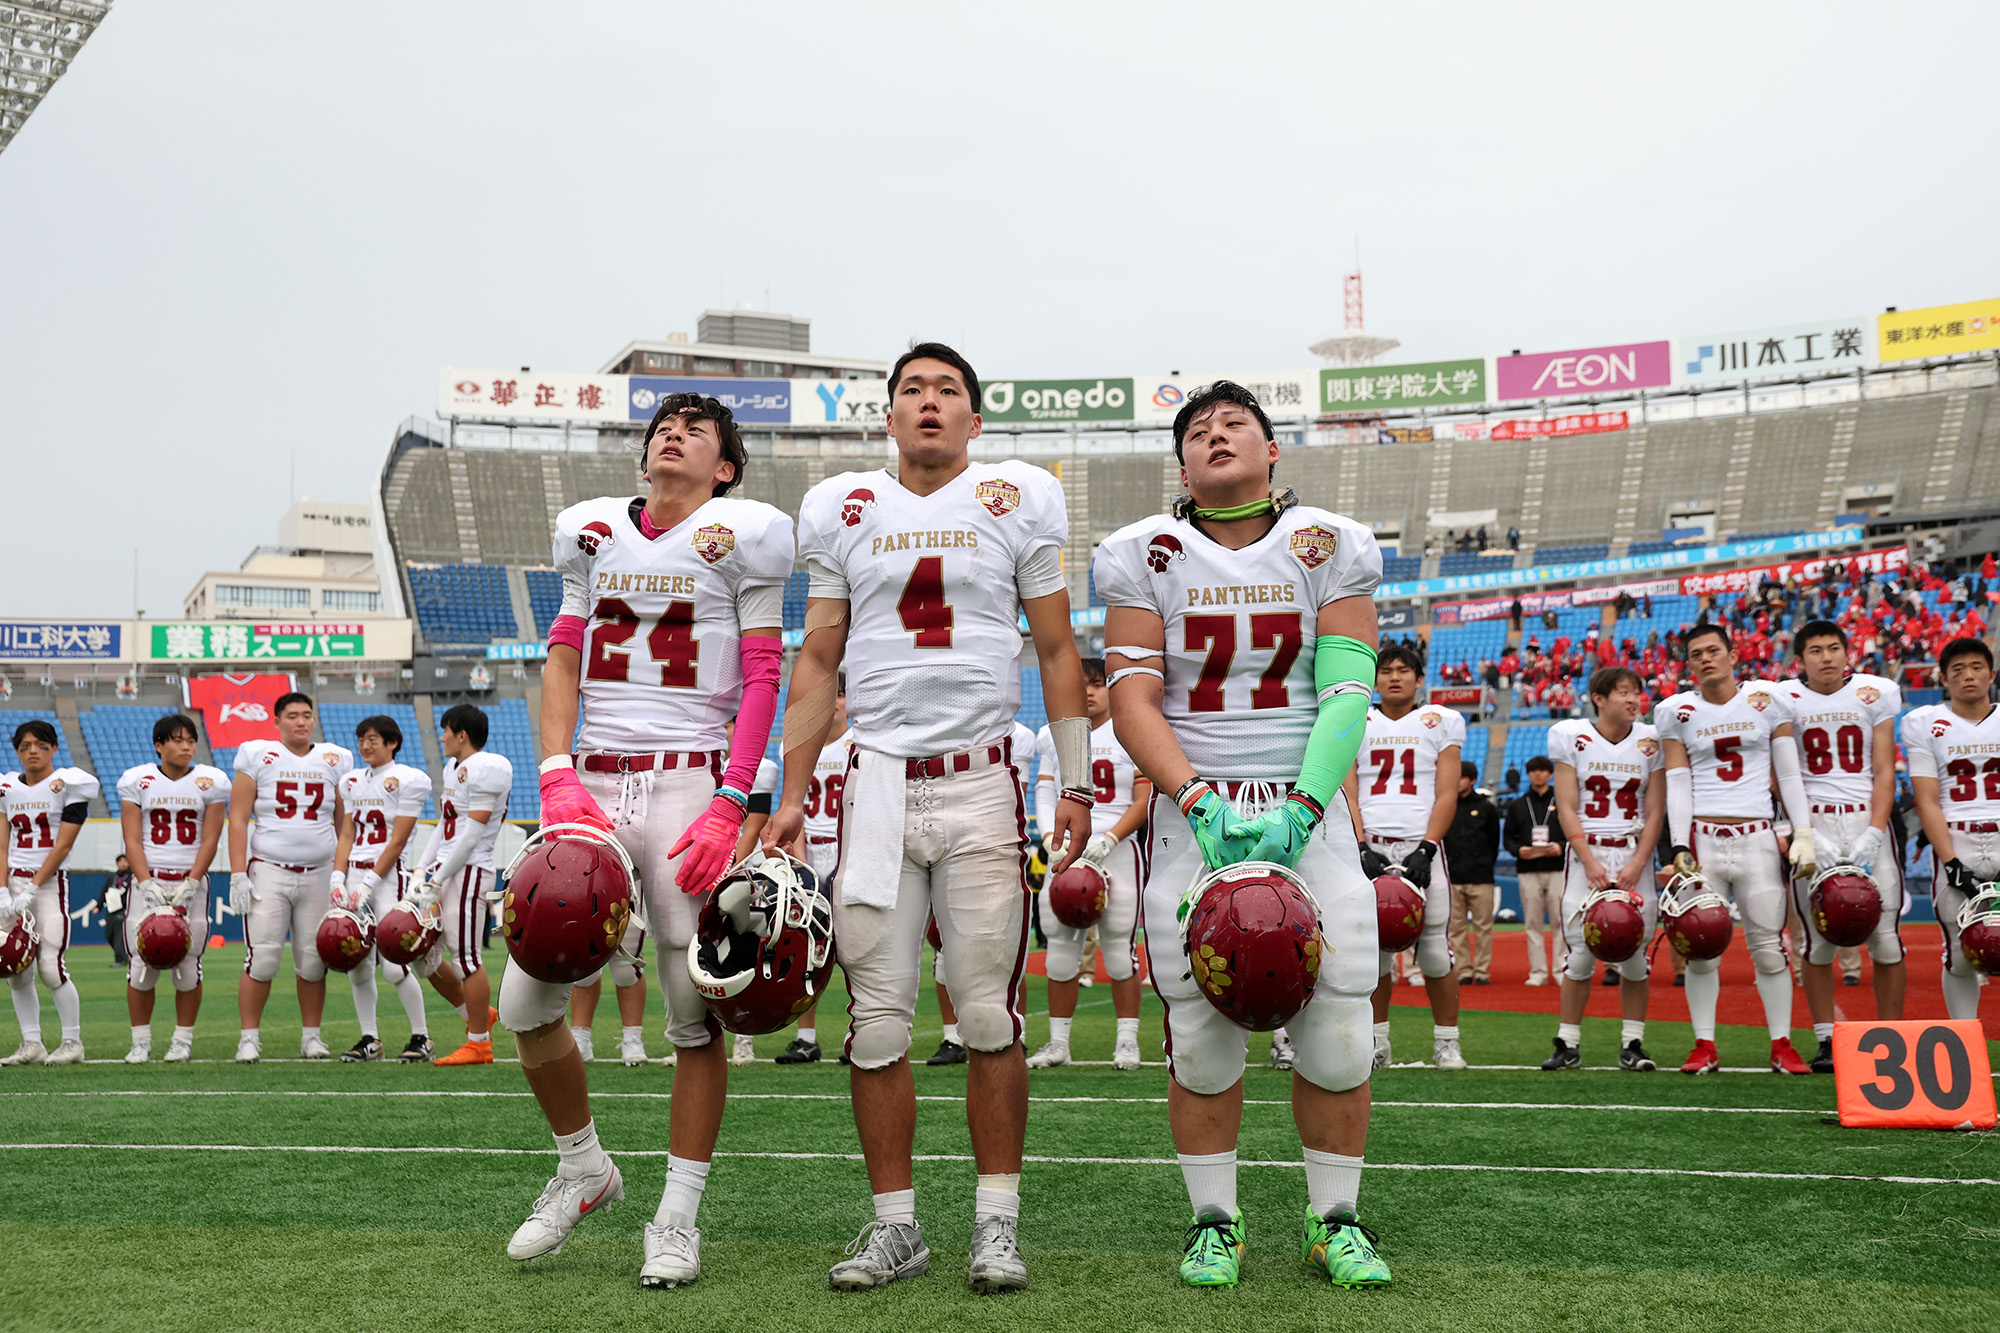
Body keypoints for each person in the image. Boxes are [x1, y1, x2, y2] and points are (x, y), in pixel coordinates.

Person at [764, 343, 1090, 1294]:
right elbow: (817, 658)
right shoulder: (844, 506)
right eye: (913, 389)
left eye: (949, 390)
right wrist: (792, 793)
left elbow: (1058, 646)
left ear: (974, 419)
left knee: (987, 1013)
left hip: (982, 778)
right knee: (874, 1023)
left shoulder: (1016, 497)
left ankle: (996, 1223)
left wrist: (1074, 780)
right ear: (890, 416)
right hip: (872, 784)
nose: (930, 402)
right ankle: (896, 1225)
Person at [1098, 379, 1389, 1289]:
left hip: (1309, 809)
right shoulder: (1144, 553)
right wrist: (1195, 798)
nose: (1215, 434)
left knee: (1340, 1021)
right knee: (1200, 1030)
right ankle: (1214, 1223)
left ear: (1273, 450)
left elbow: (1347, 689)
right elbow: (1131, 698)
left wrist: (1303, 805)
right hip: (1197, 814)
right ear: (1181, 465)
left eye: (1235, 424)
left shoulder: (1328, 544)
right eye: (1197, 429)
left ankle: (1335, 1218)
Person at [502, 391, 791, 1288]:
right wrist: (555, 769)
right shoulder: (590, 532)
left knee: (691, 1016)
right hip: (591, 775)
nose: (674, 434)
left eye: (697, 430)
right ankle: (584, 1166)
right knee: (524, 1002)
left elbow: (763, 674)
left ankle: (677, 1215)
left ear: (725, 468)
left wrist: (730, 801)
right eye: (664, 426)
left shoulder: (746, 535)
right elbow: (563, 655)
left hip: (688, 778)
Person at [1656, 624, 1818, 1075]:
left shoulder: (1768, 700)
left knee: (1768, 947)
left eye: (1713, 650)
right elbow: (1678, 782)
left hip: (1757, 836)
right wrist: (1678, 844)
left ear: (1733, 655)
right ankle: (1704, 1044)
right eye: (1696, 654)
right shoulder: (1677, 711)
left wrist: (1803, 832)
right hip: (1705, 839)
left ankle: (1782, 1043)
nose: (1706, 659)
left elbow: (1789, 774)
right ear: (1689, 664)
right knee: (1701, 948)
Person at [1775, 620, 1905, 1071]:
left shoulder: (1874, 693)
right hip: (1813, 824)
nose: (1826, 657)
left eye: (1834, 648)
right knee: (1818, 943)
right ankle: (1826, 1039)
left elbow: (1884, 769)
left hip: (1866, 819)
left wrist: (1876, 830)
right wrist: (1804, 831)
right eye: (1816, 650)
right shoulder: (1783, 699)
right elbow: (1780, 774)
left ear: (1847, 653)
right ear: (1800, 659)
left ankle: (1893, 1036)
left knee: (1886, 942)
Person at [1026, 657, 1151, 1071]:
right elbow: (1045, 791)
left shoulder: (1130, 732)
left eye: (1097, 684)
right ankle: (1058, 1043)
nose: (1090, 692)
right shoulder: (1055, 735)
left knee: (1119, 952)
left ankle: (1127, 1042)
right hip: (1065, 852)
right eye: (1082, 684)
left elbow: (1144, 799)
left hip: (1117, 850)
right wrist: (1050, 838)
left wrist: (1111, 837)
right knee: (1060, 951)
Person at [1347, 643, 1466, 1070]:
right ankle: (1377, 1042)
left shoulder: (1441, 721)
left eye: (1403, 670)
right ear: (1374, 679)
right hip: (1372, 844)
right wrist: (1360, 844)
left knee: (1434, 951)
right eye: (1386, 670)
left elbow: (1447, 792)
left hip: (1421, 842)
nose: (1394, 677)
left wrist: (1428, 847)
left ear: (1419, 679)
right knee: (1374, 951)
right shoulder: (1356, 718)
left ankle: (1447, 1042)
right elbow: (1348, 789)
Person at [1540, 667, 1665, 1071]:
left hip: (1632, 852)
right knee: (1579, 954)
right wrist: (1589, 859)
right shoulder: (1572, 736)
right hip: (1587, 853)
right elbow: (1567, 806)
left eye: (1636, 693)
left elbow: (1655, 810)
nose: (1633, 700)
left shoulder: (1650, 740)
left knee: (1635, 954)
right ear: (1599, 698)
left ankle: (1633, 1043)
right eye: (1623, 692)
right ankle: (1567, 1043)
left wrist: (1638, 862)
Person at [228, 692, 353, 1063]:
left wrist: (342, 873)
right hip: (270, 868)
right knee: (263, 958)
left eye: (307, 715)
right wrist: (237, 873)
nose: (301, 722)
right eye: (293, 715)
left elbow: (344, 823)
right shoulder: (257, 755)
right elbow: (238, 818)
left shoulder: (335, 759)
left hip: (320, 871)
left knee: (313, 961)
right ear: (277, 721)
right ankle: (249, 1038)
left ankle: (311, 1037)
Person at [117, 714, 228, 1063]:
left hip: (190, 880)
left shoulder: (210, 781)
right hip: (148, 879)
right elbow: (132, 839)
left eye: (190, 741)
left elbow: (210, 839)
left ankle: (182, 1041)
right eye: (178, 740)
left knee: (188, 966)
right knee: (141, 966)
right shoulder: (139, 780)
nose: (186, 747)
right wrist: (145, 881)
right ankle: (140, 1041)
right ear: (159, 745)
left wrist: (193, 880)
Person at [1904, 637, 2000, 1023]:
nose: (1968, 676)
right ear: (1943, 679)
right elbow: (1927, 799)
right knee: (1960, 954)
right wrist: (1951, 862)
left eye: (1976, 667)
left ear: (1992, 674)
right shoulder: (1926, 724)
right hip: (1957, 836)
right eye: (1957, 670)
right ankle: (1964, 1036)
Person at [330, 714, 436, 1063]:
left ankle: (421, 1036)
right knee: (357, 963)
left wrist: (370, 882)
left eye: (373, 739)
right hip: (355, 874)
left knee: (394, 963)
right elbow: (347, 833)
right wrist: (337, 877)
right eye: (362, 739)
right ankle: (369, 1039)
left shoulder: (408, 779)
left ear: (392, 743)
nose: (365, 745)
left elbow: (398, 840)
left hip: (389, 876)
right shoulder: (351, 782)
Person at [410, 705, 511, 1067]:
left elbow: (472, 834)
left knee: (466, 959)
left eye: (446, 730)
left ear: (462, 735)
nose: (441, 737)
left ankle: (479, 1044)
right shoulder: (454, 768)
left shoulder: (488, 767)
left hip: (468, 870)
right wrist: (421, 869)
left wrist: (437, 879)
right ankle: (477, 1013)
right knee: (421, 953)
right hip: (446, 868)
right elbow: (446, 824)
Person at [0, 720, 100, 1065]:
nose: (33, 751)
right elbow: (1, 846)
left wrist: (32, 886)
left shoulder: (69, 784)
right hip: (13, 883)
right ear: (17, 751)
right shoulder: (7, 788)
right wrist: (3, 889)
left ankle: (72, 1041)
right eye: (25, 746)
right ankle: (32, 1042)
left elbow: (63, 845)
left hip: (49, 884)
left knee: (50, 966)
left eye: (41, 745)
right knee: (14, 965)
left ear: (54, 749)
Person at [776, 680, 851, 1065]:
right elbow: (796, 808)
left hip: (847, 849)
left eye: (840, 693)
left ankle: (861, 1031)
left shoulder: (857, 743)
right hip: (810, 852)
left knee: (856, 949)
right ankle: (806, 1038)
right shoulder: (799, 746)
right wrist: (801, 865)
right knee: (806, 948)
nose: (835, 702)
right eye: (830, 693)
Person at [1507, 756, 1565, 985]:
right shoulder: (1518, 805)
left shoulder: (1561, 801)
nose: (1537, 774)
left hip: (1557, 868)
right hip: (1528, 869)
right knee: (1532, 922)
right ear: (1528, 774)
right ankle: (1538, 971)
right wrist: (1517, 850)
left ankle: (1561, 970)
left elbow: (1574, 833)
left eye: (1542, 770)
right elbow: (1508, 838)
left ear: (1550, 774)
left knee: (1560, 921)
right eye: (1533, 771)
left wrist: (1561, 846)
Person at [1443, 761, 1499, 985]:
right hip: (1453, 877)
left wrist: (1485, 865)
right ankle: (1464, 969)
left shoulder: (1486, 808)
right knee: (1456, 927)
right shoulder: (1446, 805)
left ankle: (1482, 970)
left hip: (1481, 877)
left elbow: (1494, 841)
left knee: (1483, 926)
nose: (1457, 781)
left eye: (1462, 777)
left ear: (1472, 780)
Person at [102, 855, 133, 965]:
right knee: (109, 934)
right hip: (112, 909)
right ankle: (123, 955)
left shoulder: (131, 877)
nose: (123, 863)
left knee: (119, 935)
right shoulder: (113, 878)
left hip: (124, 909)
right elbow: (104, 891)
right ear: (117, 863)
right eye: (120, 861)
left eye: (125, 861)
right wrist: (98, 905)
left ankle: (121, 959)